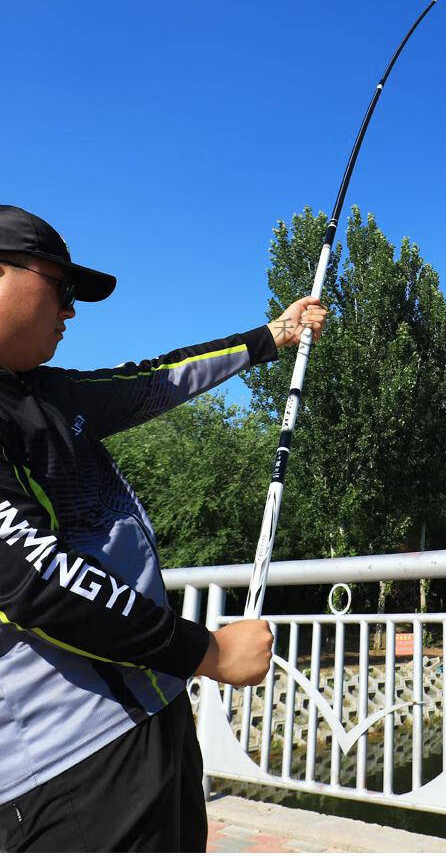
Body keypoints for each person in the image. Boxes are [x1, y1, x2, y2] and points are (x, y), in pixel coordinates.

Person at [0, 204, 326, 852]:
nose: (71, 311)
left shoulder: (49, 395)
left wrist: (274, 335)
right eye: (61, 287)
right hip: (72, 770)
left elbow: (157, 380)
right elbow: (39, 584)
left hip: (152, 718)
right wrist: (207, 653)